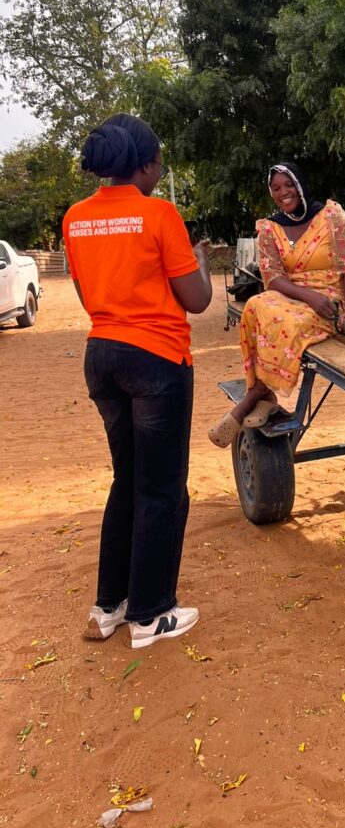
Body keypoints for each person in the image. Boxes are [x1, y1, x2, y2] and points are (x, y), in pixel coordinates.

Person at [62, 113, 212, 649]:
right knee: (162, 488)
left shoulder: (75, 218)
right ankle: (151, 614)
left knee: (126, 480)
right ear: (145, 165)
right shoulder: (158, 214)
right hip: (156, 361)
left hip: (102, 357)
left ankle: (110, 606)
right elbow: (197, 299)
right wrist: (200, 260)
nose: (160, 171)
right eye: (159, 163)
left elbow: (88, 297)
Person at [209, 162, 345, 446]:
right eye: (276, 188)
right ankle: (263, 393)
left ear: (300, 184)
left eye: (288, 184)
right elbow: (273, 278)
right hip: (292, 296)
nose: (283, 192)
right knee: (255, 306)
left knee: (287, 322)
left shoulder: (331, 215)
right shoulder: (270, 227)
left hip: (329, 299)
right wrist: (308, 296)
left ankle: (254, 397)